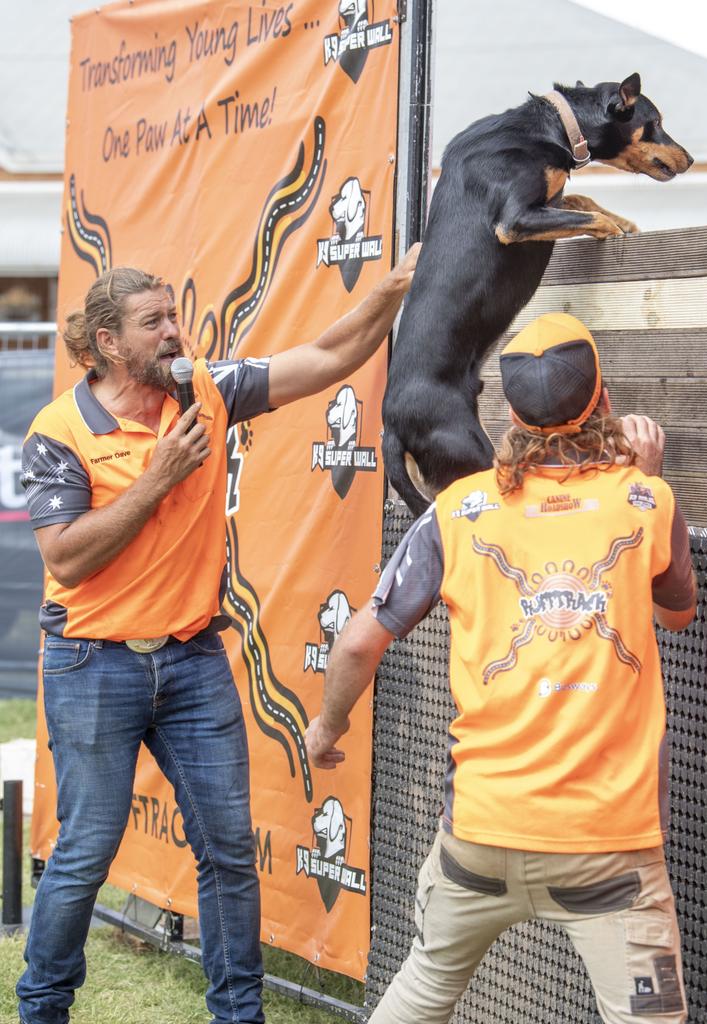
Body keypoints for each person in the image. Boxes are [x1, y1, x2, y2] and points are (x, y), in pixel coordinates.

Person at [17, 246, 419, 1024]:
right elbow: (65, 556)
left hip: (194, 658)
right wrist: (159, 477)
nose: (177, 331)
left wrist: (393, 288)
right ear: (109, 344)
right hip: (93, 663)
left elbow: (331, 354)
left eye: (174, 315)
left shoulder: (203, 389)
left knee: (230, 850)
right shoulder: (59, 429)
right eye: (155, 323)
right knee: (85, 853)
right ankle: (42, 1009)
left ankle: (239, 1015)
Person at [305, 312, 698, 1024]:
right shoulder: (646, 501)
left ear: (507, 412)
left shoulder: (459, 509)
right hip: (606, 853)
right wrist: (647, 486)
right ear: (603, 402)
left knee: (421, 991)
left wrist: (326, 725)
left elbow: (360, 643)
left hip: (479, 841)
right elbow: (677, 614)